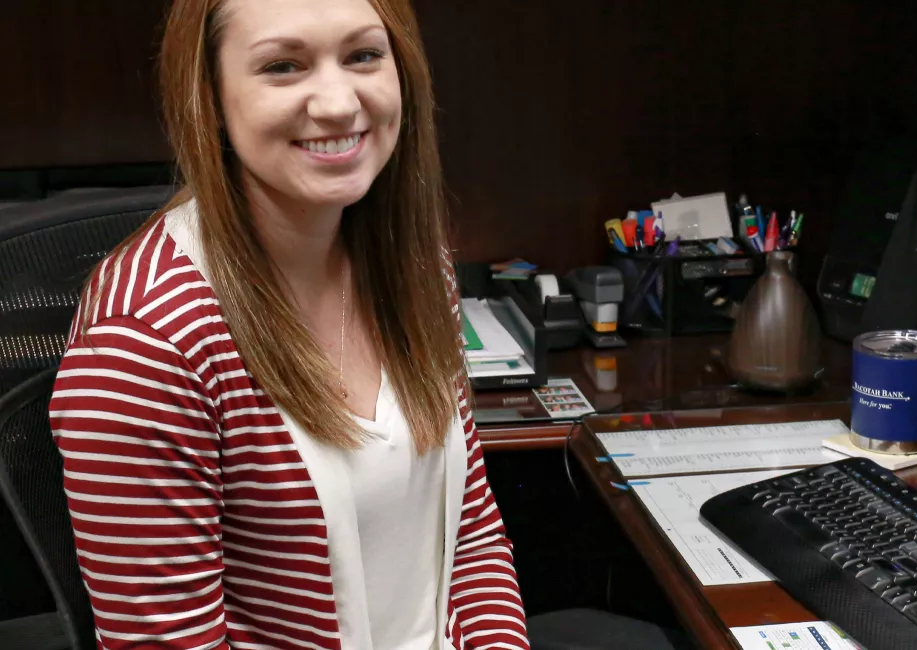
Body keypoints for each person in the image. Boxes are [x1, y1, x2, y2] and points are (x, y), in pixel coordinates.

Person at [46, 1, 686, 649]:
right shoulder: (144, 347)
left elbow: (469, 534)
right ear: (207, 97)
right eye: (283, 66)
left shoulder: (410, 260)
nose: (337, 103)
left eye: (362, 56)